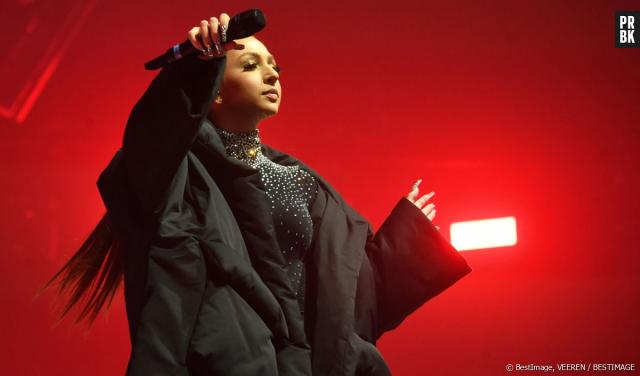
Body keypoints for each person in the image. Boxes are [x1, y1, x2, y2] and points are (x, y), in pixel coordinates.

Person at [41, 12, 472, 376]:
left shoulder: (302, 182)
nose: (271, 73)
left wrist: (406, 240)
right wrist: (192, 68)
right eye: (249, 65)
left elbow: (350, 299)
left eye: (274, 66)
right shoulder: (177, 172)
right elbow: (150, 139)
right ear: (213, 90)